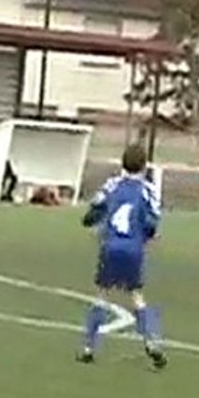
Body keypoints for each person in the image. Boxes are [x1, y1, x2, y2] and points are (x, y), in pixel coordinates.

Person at [77, 144, 166, 370]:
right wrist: (149, 235)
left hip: (110, 246)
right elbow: (152, 222)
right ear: (144, 166)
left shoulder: (111, 185)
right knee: (136, 296)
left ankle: (88, 348)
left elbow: (94, 209)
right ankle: (151, 342)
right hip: (133, 249)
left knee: (102, 295)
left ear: (122, 163)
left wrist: (91, 222)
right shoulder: (149, 190)